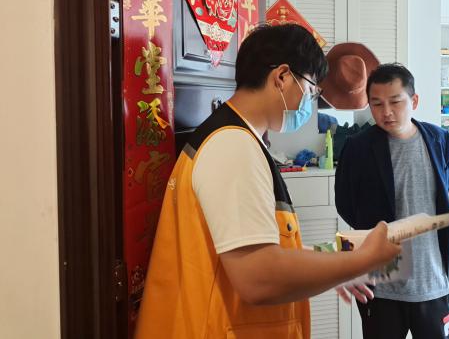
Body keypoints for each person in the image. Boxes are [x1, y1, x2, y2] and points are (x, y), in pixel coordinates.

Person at [134, 24, 401, 339]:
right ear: (283, 76)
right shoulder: (232, 146)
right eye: (312, 91)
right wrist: (360, 261)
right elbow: (258, 278)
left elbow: (267, 248)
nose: (309, 103)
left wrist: (335, 262)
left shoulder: (235, 137)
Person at [335, 63, 449, 339]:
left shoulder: (438, 139)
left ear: (414, 101)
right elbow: (346, 204)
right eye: (376, 104)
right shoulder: (358, 147)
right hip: (381, 286)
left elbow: (442, 193)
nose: (386, 112)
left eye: (395, 102)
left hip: (432, 280)